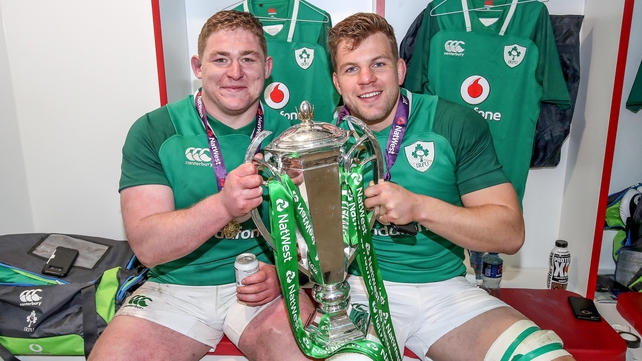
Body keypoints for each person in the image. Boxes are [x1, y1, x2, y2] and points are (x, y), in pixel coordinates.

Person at [327, 13, 576, 361]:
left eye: (378, 64)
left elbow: (509, 233)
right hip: (361, 291)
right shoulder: (321, 141)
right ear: (338, 83)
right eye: (351, 69)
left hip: (445, 291)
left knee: (546, 358)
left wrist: (419, 208)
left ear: (400, 70)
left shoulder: (452, 122)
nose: (367, 79)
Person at [88, 10, 315, 361]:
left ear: (267, 67)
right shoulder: (155, 129)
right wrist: (224, 205)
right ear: (197, 66)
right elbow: (148, 246)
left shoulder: (294, 136)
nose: (235, 73)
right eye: (221, 59)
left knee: (300, 355)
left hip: (264, 287)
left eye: (248, 59)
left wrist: (287, 274)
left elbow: (322, 238)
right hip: (176, 287)